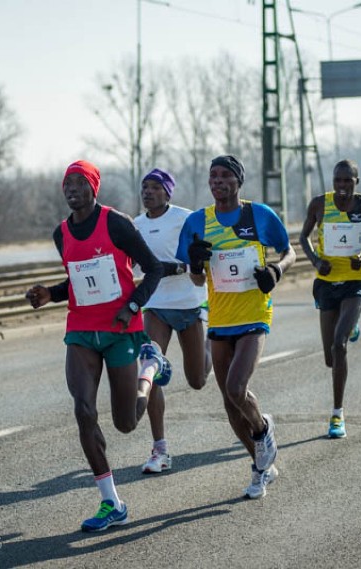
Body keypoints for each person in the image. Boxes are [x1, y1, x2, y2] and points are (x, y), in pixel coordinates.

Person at [25, 160, 170, 532]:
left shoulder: (116, 223)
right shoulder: (61, 233)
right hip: (81, 330)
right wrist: (50, 294)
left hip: (121, 328)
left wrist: (132, 307)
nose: (71, 188)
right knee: (83, 410)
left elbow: (152, 269)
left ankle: (149, 367)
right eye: (66, 183)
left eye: (79, 182)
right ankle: (111, 502)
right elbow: (77, 281)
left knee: (125, 423)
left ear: (93, 188)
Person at [176, 155, 296, 500]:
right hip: (221, 319)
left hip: (255, 314)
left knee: (236, 386)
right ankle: (261, 468)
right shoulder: (198, 222)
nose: (218, 181)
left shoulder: (259, 215)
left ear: (238, 181)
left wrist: (276, 271)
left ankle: (262, 429)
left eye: (225, 175)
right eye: (213, 176)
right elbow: (196, 278)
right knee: (230, 402)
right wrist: (196, 261)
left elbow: (289, 251)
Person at [298, 159, 361, 439]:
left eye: (348, 181)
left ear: (356, 182)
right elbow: (303, 238)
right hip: (327, 283)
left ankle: (337, 415)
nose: (342, 186)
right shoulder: (319, 205)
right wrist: (315, 261)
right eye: (338, 181)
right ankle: (351, 325)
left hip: (356, 280)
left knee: (339, 345)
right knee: (330, 359)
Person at [133, 168, 211, 474]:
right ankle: (160, 449)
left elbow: (202, 255)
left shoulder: (186, 218)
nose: (148, 192)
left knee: (197, 380)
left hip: (188, 304)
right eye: (144, 187)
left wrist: (176, 269)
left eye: (155, 187)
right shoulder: (135, 225)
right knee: (149, 368)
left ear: (168, 192)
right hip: (155, 306)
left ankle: (210, 342)